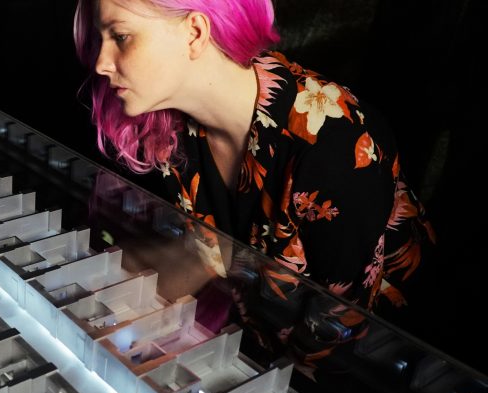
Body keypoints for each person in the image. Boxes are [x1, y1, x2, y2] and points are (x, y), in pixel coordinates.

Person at [73, 0, 435, 365]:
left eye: (120, 36)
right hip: (257, 349)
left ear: (195, 33)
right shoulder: (170, 125)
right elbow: (210, 261)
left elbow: (337, 344)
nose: (101, 63)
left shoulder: (334, 146)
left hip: (389, 377)